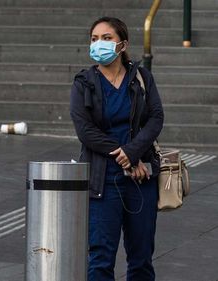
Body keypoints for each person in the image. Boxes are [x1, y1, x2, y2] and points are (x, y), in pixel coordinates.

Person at [69, 17, 164, 281]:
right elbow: (85, 131)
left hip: (141, 180)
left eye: (107, 38)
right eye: (94, 38)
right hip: (102, 183)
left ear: (122, 45)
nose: (99, 43)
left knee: (141, 258)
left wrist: (133, 153)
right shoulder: (84, 82)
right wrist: (126, 157)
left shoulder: (142, 78)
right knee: (100, 259)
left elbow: (156, 118)